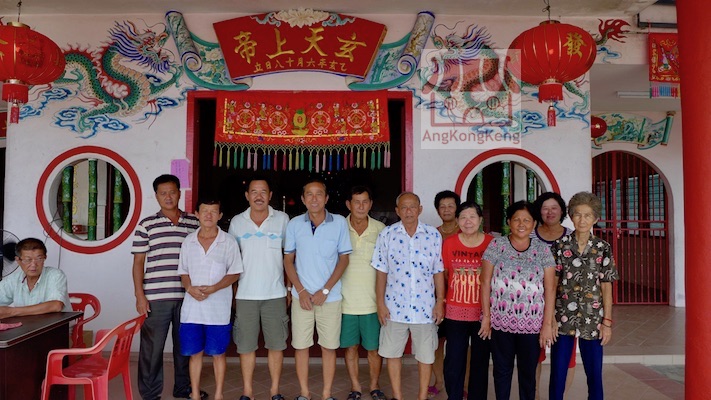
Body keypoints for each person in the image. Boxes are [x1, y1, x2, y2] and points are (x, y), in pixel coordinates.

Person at [132, 174, 206, 400]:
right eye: (163, 193)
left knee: (185, 346)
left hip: (188, 296)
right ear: (156, 196)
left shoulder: (194, 222)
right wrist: (140, 296)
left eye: (172, 192)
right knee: (152, 349)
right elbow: (138, 263)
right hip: (156, 297)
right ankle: (150, 394)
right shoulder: (146, 225)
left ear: (179, 193)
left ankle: (183, 388)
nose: (168, 197)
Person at [284, 178, 352, 400]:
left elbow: (344, 259)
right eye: (309, 194)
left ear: (327, 198)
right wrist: (301, 291)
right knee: (301, 346)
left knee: (329, 347)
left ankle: (326, 393)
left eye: (319, 194)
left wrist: (325, 290)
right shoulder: (294, 224)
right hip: (301, 297)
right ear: (303, 199)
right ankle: (304, 393)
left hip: (329, 298)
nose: (314, 199)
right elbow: (288, 261)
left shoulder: (339, 222)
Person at [372, 192, 445, 400]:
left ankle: (422, 396)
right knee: (392, 354)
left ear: (420, 209)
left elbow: (438, 270)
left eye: (412, 207)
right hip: (394, 307)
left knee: (426, 355)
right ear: (397, 211)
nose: (408, 211)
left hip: (425, 308)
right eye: (403, 207)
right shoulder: (387, 234)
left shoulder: (432, 235)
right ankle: (398, 396)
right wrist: (380, 303)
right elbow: (381, 271)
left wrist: (440, 302)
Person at [480, 201, 556, 400]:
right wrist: (486, 317)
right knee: (501, 371)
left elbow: (550, 288)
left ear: (534, 223)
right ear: (509, 222)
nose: (521, 224)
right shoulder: (497, 245)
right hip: (500, 321)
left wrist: (547, 324)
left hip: (531, 324)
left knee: (528, 374)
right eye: (516, 219)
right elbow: (485, 282)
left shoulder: (542, 250)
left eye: (527, 220)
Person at [549, 192, 619, 400]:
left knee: (594, 373)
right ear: (571, 216)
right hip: (562, 317)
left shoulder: (602, 248)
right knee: (558, 372)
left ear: (595, 218)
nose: (582, 220)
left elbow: (606, 287)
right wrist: (550, 318)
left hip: (593, 318)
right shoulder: (560, 246)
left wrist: (607, 322)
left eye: (587, 215)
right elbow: (552, 285)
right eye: (578, 214)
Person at [228, 177, 290, 400]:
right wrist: (233, 291)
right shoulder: (237, 222)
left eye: (263, 191)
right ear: (247, 196)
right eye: (254, 191)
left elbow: (290, 256)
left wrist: (289, 288)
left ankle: (275, 390)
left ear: (270, 195)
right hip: (246, 295)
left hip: (275, 294)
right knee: (246, 346)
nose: (259, 196)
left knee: (276, 345)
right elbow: (231, 260)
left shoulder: (282, 220)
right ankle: (248, 391)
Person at [178, 198, 243, 400]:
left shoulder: (229, 241)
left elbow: (235, 273)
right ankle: (195, 394)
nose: (208, 215)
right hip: (192, 310)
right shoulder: (188, 242)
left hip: (218, 310)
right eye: (204, 211)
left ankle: (218, 394)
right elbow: (183, 272)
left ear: (220, 216)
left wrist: (215, 288)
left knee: (218, 353)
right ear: (197, 214)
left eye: (213, 211)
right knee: (195, 354)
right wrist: (189, 288)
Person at [442, 202, 493, 400]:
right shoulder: (449, 243)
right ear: (457, 221)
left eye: (472, 217)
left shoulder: (491, 243)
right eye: (463, 217)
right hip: (455, 312)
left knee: (480, 361)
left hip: (483, 313)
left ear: (480, 220)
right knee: (454, 360)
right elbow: (447, 274)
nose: (468, 221)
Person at [341, 186, 387, 400]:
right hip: (345, 301)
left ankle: (375, 386)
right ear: (348, 204)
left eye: (365, 201)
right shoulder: (339, 227)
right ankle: (355, 387)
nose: (361, 206)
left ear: (370, 204)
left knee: (373, 349)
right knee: (350, 348)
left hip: (372, 302)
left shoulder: (381, 229)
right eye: (356, 202)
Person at [531, 192, 575, 400]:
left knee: (566, 357)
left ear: (561, 211)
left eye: (554, 208)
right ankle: (535, 395)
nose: (549, 212)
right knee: (534, 355)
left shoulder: (573, 237)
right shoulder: (530, 236)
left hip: (567, 305)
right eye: (545, 208)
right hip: (535, 304)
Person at [431, 190, 461, 398]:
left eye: (451, 206)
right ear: (437, 210)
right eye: (442, 206)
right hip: (435, 297)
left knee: (460, 344)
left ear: (457, 208)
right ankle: (438, 381)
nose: (447, 210)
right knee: (437, 342)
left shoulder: (465, 232)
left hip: (460, 297)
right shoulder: (432, 234)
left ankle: (463, 383)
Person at [0, 238, 71, 318]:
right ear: (18, 260)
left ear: (45, 258)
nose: (33, 265)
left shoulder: (55, 275)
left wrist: (12, 311)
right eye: (28, 260)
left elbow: (56, 305)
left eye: (39, 259)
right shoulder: (13, 280)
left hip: (57, 324)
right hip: (26, 325)